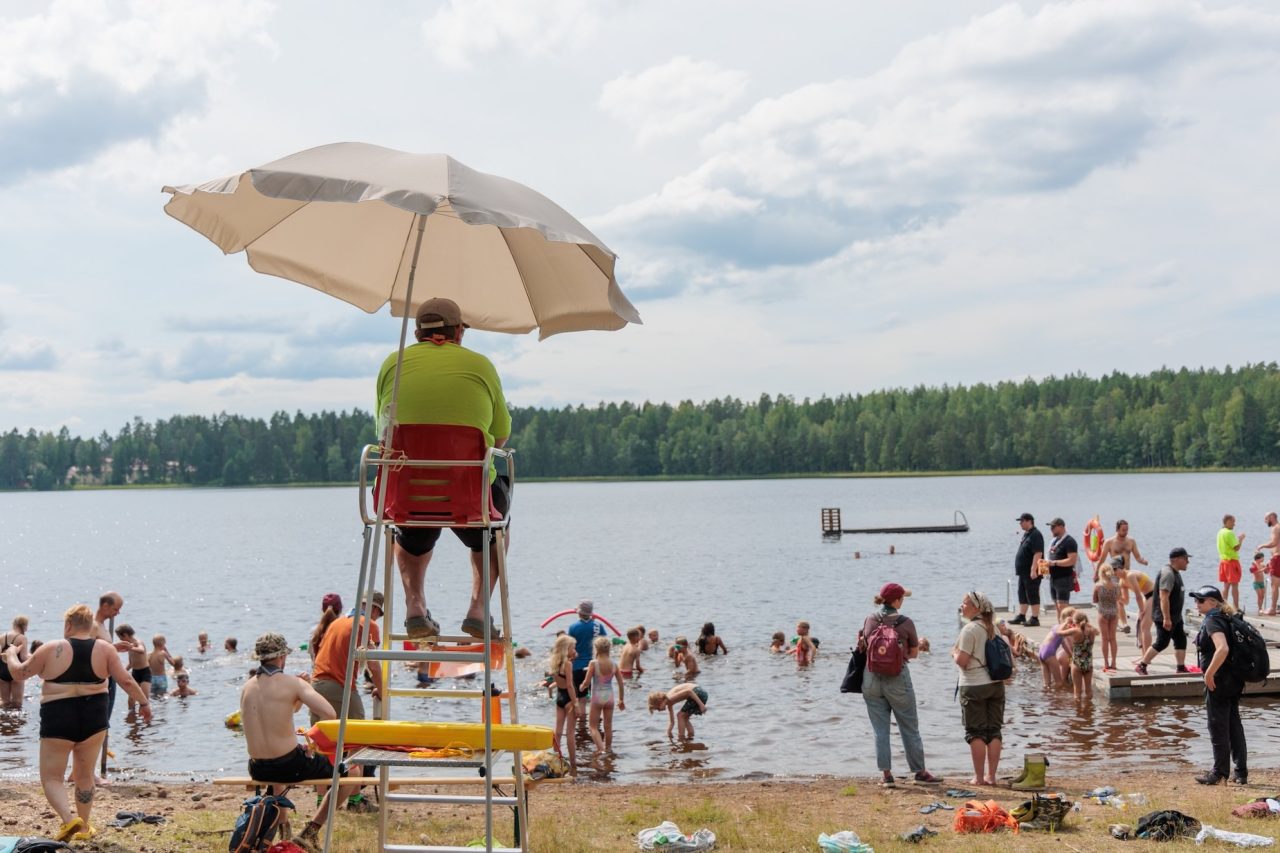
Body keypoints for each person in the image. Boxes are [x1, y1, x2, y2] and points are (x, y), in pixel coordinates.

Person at [379, 297, 513, 641]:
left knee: (412, 526)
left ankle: (414, 605)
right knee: (495, 526)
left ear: (417, 332)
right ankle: (478, 609)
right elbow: (500, 436)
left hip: (408, 500)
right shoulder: (481, 366)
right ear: (458, 332)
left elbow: (383, 432)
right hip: (472, 500)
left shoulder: (393, 363)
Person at [2, 604, 150, 842]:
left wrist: (10, 655)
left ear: (68, 625)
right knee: (85, 775)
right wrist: (144, 704)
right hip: (94, 716)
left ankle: (69, 820)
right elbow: (126, 680)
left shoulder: (52, 648)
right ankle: (83, 829)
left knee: (52, 777)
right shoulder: (105, 649)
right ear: (90, 625)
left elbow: (19, 673)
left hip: (59, 716)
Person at [239, 632, 358, 851]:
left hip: (257, 768)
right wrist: (306, 688)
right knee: (353, 772)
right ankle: (311, 830)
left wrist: (298, 698)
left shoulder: (247, 688)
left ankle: (285, 829)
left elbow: (282, 711)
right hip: (288, 765)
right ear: (282, 657)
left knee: (277, 770)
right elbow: (329, 713)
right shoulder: (292, 683)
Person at [860, 583, 940, 787]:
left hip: (871, 677)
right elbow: (913, 654)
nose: (903, 600)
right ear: (896, 601)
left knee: (880, 730)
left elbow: (865, 645)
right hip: (897, 678)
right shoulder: (906, 622)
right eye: (902, 598)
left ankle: (886, 776)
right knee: (909, 726)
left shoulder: (870, 619)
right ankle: (920, 772)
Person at [1189, 586, 1248, 785]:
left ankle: (1219, 773)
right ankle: (1240, 773)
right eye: (1196, 600)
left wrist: (1209, 673)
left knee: (1217, 725)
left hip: (1219, 680)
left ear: (1213, 602)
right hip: (1234, 679)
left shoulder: (1213, 620)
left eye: (1200, 600)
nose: (1196, 603)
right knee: (1233, 724)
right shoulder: (1228, 618)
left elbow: (1222, 649)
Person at [952, 590, 1003, 786]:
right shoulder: (993, 628)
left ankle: (979, 777)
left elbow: (963, 661)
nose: (961, 606)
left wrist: (954, 654)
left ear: (976, 608)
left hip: (974, 685)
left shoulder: (970, 630)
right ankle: (992, 776)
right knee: (994, 731)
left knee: (976, 732)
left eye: (965, 603)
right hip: (995, 685)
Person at [310, 592, 385, 725]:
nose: (376, 620)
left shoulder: (337, 622)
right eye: (378, 616)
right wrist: (382, 690)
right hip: (339, 686)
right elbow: (373, 664)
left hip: (316, 685)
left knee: (320, 737)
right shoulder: (368, 624)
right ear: (374, 609)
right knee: (357, 730)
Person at [1134, 547, 1191, 676]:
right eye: (1185, 559)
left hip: (1175, 616)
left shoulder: (1175, 572)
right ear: (1176, 560)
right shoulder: (1168, 574)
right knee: (1162, 642)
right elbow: (1163, 596)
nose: (1188, 562)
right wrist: (1166, 618)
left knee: (1181, 639)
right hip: (1165, 616)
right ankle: (1142, 666)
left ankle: (1180, 667)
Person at [580, 636, 624, 755]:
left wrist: (581, 687)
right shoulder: (614, 664)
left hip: (597, 697)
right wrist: (621, 699)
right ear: (609, 649)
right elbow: (621, 683)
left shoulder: (594, 663)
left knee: (593, 726)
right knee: (608, 726)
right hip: (609, 697)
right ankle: (608, 749)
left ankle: (601, 749)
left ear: (596, 649)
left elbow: (587, 682)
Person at [567, 600, 605, 713]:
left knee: (581, 699)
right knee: (596, 697)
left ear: (579, 613)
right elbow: (604, 645)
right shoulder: (598, 626)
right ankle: (597, 721)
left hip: (578, 666)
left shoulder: (573, 627)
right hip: (596, 665)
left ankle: (582, 725)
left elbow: (570, 647)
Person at [547, 635, 578, 769]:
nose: (574, 649)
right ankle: (573, 764)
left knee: (558, 731)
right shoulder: (568, 664)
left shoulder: (554, 662)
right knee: (570, 733)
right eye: (573, 647)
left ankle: (556, 760)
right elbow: (570, 685)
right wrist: (576, 703)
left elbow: (558, 682)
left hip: (559, 697)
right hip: (569, 699)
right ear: (566, 649)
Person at [1010, 512, 1045, 627]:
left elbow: (1038, 553)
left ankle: (1035, 618)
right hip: (1023, 572)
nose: (1020, 523)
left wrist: (1033, 569)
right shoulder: (1027, 534)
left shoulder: (1036, 534)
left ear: (1029, 521)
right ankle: (1022, 615)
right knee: (1022, 593)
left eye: (1022, 521)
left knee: (1032, 593)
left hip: (1032, 572)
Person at [1042, 518, 1078, 619]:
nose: (1051, 529)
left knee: (1063, 607)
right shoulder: (1054, 541)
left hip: (1064, 578)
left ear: (1062, 527)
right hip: (1053, 578)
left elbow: (1072, 560)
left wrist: (1054, 563)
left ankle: (1067, 630)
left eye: (1053, 527)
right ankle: (1060, 629)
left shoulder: (1070, 541)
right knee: (1057, 607)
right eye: (1050, 527)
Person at [1116, 563, 1155, 654]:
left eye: (1115, 569)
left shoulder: (1130, 575)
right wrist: (1116, 596)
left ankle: (1147, 657)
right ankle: (1144, 655)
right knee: (1140, 625)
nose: (1115, 573)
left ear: (1120, 568)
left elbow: (1138, 595)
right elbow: (1126, 601)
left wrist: (1142, 610)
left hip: (1154, 594)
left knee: (1145, 626)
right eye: (1112, 571)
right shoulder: (1122, 582)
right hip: (1146, 596)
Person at [1062, 612, 1097, 703]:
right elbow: (1098, 632)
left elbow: (1058, 632)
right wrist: (1088, 624)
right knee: (1088, 690)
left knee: (1077, 692)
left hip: (1077, 663)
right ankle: (1089, 712)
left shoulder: (1075, 631)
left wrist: (1066, 623)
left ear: (1075, 621)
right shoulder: (1092, 630)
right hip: (1088, 663)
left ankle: (1079, 713)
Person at [114, 625, 149, 713]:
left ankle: (147, 719)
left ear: (125, 635)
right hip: (135, 673)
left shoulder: (138, 642)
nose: (121, 641)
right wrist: (123, 671)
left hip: (145, 672)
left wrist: (131, 647)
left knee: (144, 698)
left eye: (121, 638)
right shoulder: (129, 646)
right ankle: (132, 717)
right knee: (131, 700)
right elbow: (131, 663)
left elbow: (141, 650)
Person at [1092, 564, 1121, 672]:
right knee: (1113, 638)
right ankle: (1114, 663)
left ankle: (1106, 663)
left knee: (1105, 639)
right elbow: (1118, 598)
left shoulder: (1098, 586)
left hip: (1102, 612)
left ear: (1101, 573)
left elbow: (1094, 600)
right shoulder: (1117, 585)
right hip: (1114, 612)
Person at [0, 615, 30, 710]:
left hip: (1, 670)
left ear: (13, 624)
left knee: (4, 702)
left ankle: (4, 723)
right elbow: (23, 657)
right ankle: (15, 723)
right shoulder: (21, 638)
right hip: (15, 671)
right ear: (24, 626)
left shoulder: (1, 636)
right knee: (17, 703)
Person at [1217, 514, 1245, 610]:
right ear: (1228, 521)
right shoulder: (1228, 533)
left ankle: (1223, 606)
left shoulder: (1220, 532)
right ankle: (1236, 607)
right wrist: (1240, 539)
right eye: (1233, 522)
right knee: (1234, 585)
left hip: (1223, 561)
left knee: (1226, 585)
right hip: (1231, 561)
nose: (1234, 524)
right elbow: (1236, 547)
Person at [309, 593, 344, 663]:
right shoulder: (344, 630)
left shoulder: (314, 631)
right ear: (340, 610)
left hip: (317, 673)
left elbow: (312, 658)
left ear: (322, 609)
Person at [1262, 511, 1280, 615]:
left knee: (1274, 584)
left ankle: (1272, 609)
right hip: (1277, 557)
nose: (1265, 521)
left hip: (1277, 558)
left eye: (1266, 518)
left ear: (1272, 517)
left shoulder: (1276, 527)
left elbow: (1273, 543)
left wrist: (1262, 546)